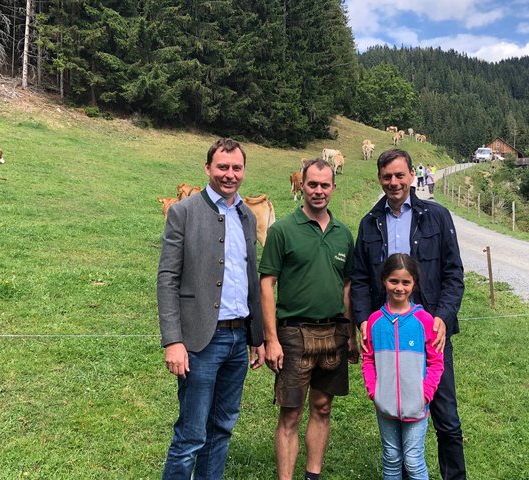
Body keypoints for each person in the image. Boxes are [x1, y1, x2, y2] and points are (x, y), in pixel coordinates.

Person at [351, 149, 466, 480]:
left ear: (411, 177)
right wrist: (362, 321)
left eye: (399, 175)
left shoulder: (437, 216)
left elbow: (453, 273)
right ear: (379, 179)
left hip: (431, 333)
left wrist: (443, 315)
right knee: (394, 409)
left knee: (446, 417)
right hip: (388, 335)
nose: (394, 182)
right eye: (387, 176)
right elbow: (360, 279)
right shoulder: (370, 223)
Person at [157, 137, 266, 480]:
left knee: (221, 428)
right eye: (222, 167)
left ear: (244, 171)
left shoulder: (247, 216)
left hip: (238, 340)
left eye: (236, 168)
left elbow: (251, 278)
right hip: (200, 341)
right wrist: (173, 341)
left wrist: (257, 336)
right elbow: (167, 279)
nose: (229, 174)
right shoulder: (183, 212)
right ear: (207, 169)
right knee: (191, 435)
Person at [259, 159, 359, 480]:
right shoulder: (282, 231)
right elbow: (266, 284)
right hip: (293, 333)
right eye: (312, 184)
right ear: (301, 185)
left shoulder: (344, 234)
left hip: (334, 332)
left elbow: (347, 286)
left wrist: (351, 334)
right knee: (290, 414)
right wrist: (271, 339)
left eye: (324, 185)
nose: (318, 191)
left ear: (333, 187)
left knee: (322, 407)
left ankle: (312, 474)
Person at [362, 253, 445, 480]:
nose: (399, 288)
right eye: (394, 281)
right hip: (385, 405)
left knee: (413, 460)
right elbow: (368, 359)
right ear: (383, 281)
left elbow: (436, 362)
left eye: (405, 282)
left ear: (414, 284)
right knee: (390, 458)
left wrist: (425, 394)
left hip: (416, 405)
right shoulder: (375, 322)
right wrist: (374, 391)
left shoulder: (425, 321)